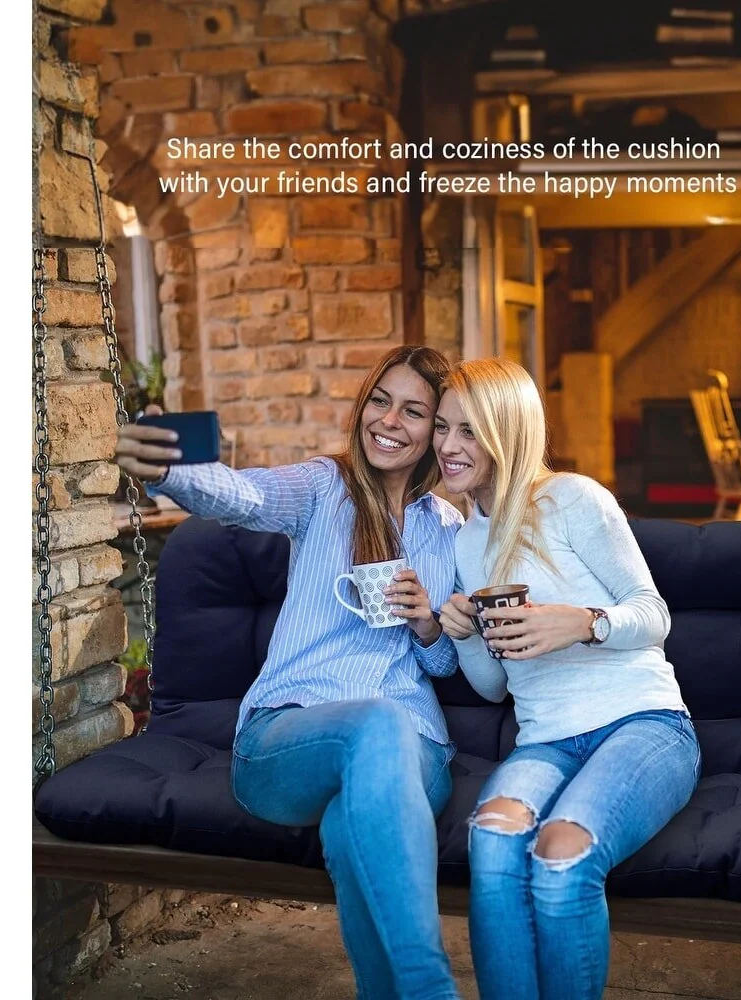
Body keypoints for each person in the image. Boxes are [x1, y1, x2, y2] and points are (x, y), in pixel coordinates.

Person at [115, 346, 464, 1000]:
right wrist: (169, 471)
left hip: (415, 746)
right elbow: (245, 495)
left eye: (414, 411)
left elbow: (445, 662)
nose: (389, 421)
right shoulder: (324, 487)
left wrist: (425, 623)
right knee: (378, 722)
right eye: (380, 401)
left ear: (434, 432)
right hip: (288, 737)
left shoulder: (447, 529)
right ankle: (431, 988)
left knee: (350, 827)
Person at [434, 358, 700, 1000]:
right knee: (492, 842)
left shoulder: (573, 500)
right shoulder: (465, 543)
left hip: (644, 724)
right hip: (546, 740)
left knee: (560, 856)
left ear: (506, 431)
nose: (447, 446)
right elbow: (494, 687)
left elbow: (654, 614)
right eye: (442, 427)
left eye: (469, 430)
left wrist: (583, 622)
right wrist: (463, 634)